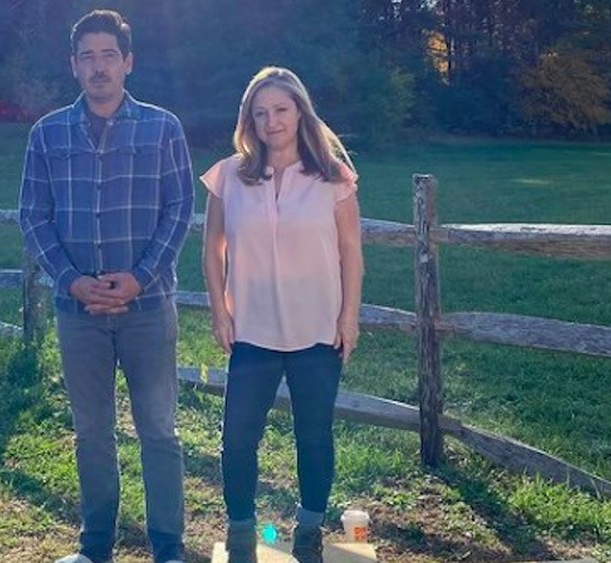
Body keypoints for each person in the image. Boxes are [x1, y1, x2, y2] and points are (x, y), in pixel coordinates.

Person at [19, 9, 194, 563]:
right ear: (74, 66)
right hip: (79, 316)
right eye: (88, 57)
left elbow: (180, 208)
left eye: (108, 56)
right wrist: (72, 283)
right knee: (92, 434)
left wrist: (140, 277)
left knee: (160, 432)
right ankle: (96, 548)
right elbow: (33, 216)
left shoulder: (163, 127)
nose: (99, 68)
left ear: (128, 62)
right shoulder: (46, 133)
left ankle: (167, 546)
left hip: (148, 309)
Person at [200, 66, 364, 563]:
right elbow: (212, 250)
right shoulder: (228, 175)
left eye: (281, 110)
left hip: (318, 328)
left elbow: (351, 252)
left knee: (314, 435)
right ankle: (243, 535)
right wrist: (219, 312)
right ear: (249, 119)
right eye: (261, 112)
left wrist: (349, 318)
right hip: (252, 328)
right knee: (237, 437)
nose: (271, 121)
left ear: (300, 111)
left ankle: (309, 531)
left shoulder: (333, 177)